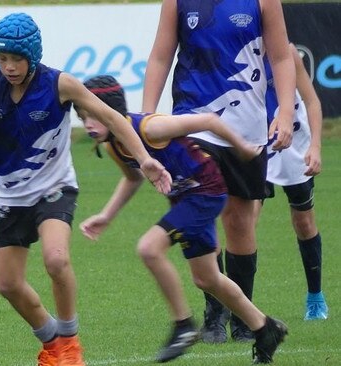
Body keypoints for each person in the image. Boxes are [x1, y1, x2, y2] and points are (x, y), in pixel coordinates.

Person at [0, 13, 171, 366]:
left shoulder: (60, 84)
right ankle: (51, 342)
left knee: (56, 260)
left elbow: (113, 118)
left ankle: (70, 344)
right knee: (7, 284)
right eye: (2, 58)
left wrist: (144, 158)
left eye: (16, 58)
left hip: (55, 188)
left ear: (33, 55)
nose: (8, 66)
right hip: (11, 196)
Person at [78, 75, 288, 364]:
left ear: (110, 111)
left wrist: (241, 148)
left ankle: (183, 326)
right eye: (82, 116)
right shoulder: (115, 144)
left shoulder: (151, 127)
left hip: (206, 193)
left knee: (149, 248)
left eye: (92, 115)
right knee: (206, 278)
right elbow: (132, 178)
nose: (87, 124)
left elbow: (210, 122)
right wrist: (106, 215)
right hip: (186, 199)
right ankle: (266, 328)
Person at [142, 0, 296, 343]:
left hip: (247, 129)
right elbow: (160, 56)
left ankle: (245, 317)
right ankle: (215, 313)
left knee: (239, 222)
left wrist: (285, 112)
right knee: (201, 214)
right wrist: (147, 117)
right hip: (192, 124)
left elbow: (282, 57)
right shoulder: (177, 2)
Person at [263, 43, 328, 320]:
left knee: (304, 221)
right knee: (244, 221)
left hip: (293, 144)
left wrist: (315, 147)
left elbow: (312, 101)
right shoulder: (236, 50)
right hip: (255, 143)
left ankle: (315, 297)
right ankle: (241, 313)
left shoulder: (288, 53)